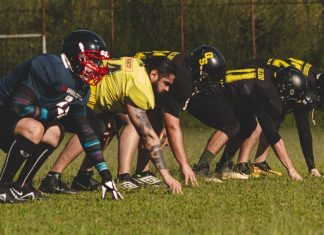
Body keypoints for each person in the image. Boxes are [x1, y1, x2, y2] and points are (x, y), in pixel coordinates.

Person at [0, 30, 124, 203]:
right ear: (76, 56)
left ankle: (22, 186)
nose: (97, 66)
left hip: (17, 117)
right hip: (5, 111)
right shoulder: (49, 66)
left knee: (55, 132)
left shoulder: (82, 87)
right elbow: (17, 105)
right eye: (93, 60)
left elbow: (85, 131)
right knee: (35, 128)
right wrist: (48, 114)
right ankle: (3, 187)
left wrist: (106, 175)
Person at [39, 55, 183, 195]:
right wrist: (167, 176)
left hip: (86, 88)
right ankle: (53, 177)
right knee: (92, 129)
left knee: (106, 127)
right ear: (153, 74)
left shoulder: (137, 64)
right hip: (82, 93)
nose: (167, 89)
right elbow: (148, 136)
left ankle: (83, 177)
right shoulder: (141, 87)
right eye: (166, 83)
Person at [116, 46, 242, 189]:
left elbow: (164, 109)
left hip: (138, 76)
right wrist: (184, 165)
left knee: (154, 121)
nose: (205, 85)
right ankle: (123, 176)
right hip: (126, 78)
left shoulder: (184, 66)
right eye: (205, 79)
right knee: (133, 123)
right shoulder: (182, 80)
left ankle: (142, 172)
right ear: (199, 71)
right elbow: (172, 127)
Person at [216, 58, 322, 178]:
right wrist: (309, 167)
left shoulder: (315, 77)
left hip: (267, 78)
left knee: (273, 120)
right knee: (256, 123)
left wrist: (311, 166)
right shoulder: (304, 83)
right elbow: (303, 128)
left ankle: (259, 163)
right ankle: (241, 164)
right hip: (255, 78)